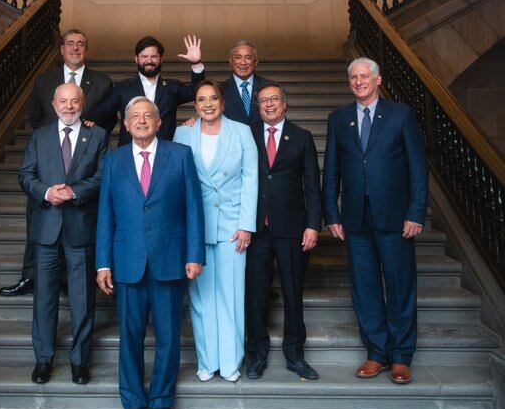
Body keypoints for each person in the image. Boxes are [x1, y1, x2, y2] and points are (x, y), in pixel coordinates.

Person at [96, 97, 205, 409]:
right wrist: (103, 264)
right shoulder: (112, 162)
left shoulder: (180, 156)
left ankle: (160, 402)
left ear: (159, 123)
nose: (141, 121)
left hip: (169, 260)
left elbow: (193, 209)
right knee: (129, 337)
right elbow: (105, 216)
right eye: (134, 117)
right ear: (125, 125)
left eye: (148, 116)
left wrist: (194, 255)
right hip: (127, 262)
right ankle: (132, 405)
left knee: (168, 337)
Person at [322, 58, 428, 385]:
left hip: (396, 218)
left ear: (377, 79)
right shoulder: (339, 119)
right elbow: (333, 170)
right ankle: (377, 354)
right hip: (355, 219)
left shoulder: (401, 115)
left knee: (399, 286)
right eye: (353, 77)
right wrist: (332, 213)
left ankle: (401, 356)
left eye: (364, 76)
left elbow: (417, 168)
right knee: (365, 288)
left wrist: (416, 212)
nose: (358, 81)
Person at [0, 29, 115, 298]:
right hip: (48, 165)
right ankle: (30, 276)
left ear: (87, 49)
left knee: (76, 231)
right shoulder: (44, 80)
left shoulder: (102, 81)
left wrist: (84, 128)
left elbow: (108, 120)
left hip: (82, 163)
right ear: (61, 49)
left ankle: (68, 280)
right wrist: (51, 143)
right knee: (39, 224)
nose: (75, 48)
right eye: (70, 44)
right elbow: (35, 117)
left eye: (81, 44)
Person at [18, 83, 108, 386]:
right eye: (63, 102)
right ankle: (43, 359)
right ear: (54, 104)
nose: (69, 107)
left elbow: (101, 176)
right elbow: (25, 175)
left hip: (81, 228)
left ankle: (79, 361)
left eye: (74, 101)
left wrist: (75, 191)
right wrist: (45, 191)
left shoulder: (97, 135)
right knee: (44, 298)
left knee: (83, 299)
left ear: (83, 103)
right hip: (46, 230)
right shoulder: (39, 136)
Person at [174, 79, 258, 382]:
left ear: (222, 103)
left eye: (213, 99)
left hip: (232, 227)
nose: (207, 104)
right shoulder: (182, 133)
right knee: (200, 298)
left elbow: (251, 179)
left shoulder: (242, 131)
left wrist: (246, 225)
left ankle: (231, 361)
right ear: (195, 106)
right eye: (201, 99)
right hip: (195, 227)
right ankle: (207, 361)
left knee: (231, 297)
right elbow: (177, 181)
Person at [245, 83, 322, 380]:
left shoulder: (301, 137)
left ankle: (294, 353)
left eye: (274, 99)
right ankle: (257, 353)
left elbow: (312, 186)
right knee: (256, 294)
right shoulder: (246, 134)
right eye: (263, 100)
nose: (268, 104)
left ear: (284, 104)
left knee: (292, 292)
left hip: (291, 228)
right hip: (255, 229)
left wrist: (313, 225)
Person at [94, 35, 204, 147]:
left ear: (161, 59)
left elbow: (198, 92)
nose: (149, 61)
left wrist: (196, 64)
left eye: (154, 56)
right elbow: (103, 112)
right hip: (130, 152)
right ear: (136, 59)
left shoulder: (172, 86)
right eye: (144, 56)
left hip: (165, 151)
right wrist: (87, 123)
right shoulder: (123, 87)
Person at [218, 40, 268, 130]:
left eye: (248, 57)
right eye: (238, 57)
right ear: (230, 61)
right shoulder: (219, 90)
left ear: (256, 62)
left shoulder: (268, 86)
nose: (243, 62)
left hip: (262, 143)